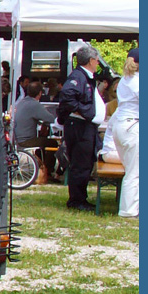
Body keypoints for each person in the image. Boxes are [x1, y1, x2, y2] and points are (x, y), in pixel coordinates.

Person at [57, 43, 106, 211]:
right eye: (97, 61)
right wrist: (85, 112)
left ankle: (80, 197)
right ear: (91, 60)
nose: (98, 64)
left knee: (85, 162)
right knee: (80, 163)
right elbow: (68, 96)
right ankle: (77, 201)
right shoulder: (78, 77)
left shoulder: (86, 77)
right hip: (79, 127)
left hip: (86, 127)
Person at [112, 45, 139, 218]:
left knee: (132, 169)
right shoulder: (137, 80)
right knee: (135, 172)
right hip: (132, 127)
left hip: (121, 126)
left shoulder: (125, 79)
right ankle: (129, 211)